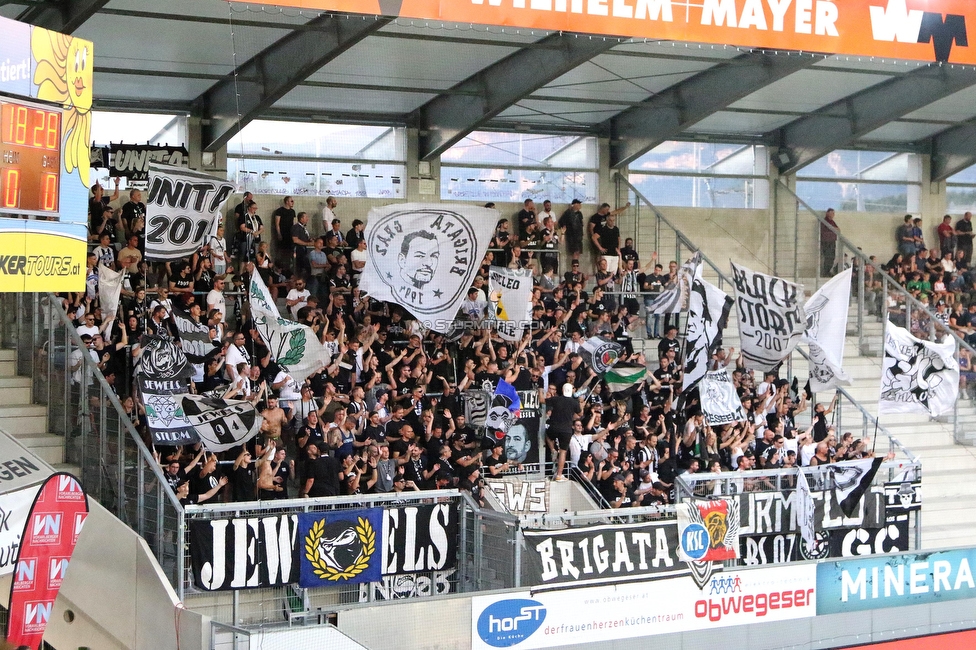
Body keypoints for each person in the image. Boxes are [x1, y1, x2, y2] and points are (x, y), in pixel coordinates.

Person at [546, 383, 582, 481]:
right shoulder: (574, 402)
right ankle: (559, 475)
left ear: (562, 390)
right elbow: (580, 413)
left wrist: (540, 392)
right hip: (566, 430)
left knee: (548, 436)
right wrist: (580, 404)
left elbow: (542, 400)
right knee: (563, 452)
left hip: (554, 427)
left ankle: (553, 450)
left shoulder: (556, 399)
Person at [821, 207, 839, 276]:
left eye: (833, 213)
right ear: (827, 213)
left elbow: (838, 230)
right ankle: (825, 272)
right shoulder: (824, 221)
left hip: (832, 241)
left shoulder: (832, 222)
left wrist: (832, 228)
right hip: (826, 242)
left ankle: (828, 271)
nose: (833, 215)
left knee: (832, 257)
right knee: (827, 257)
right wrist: (832, 228)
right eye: (831, 213)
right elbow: (827, 229)